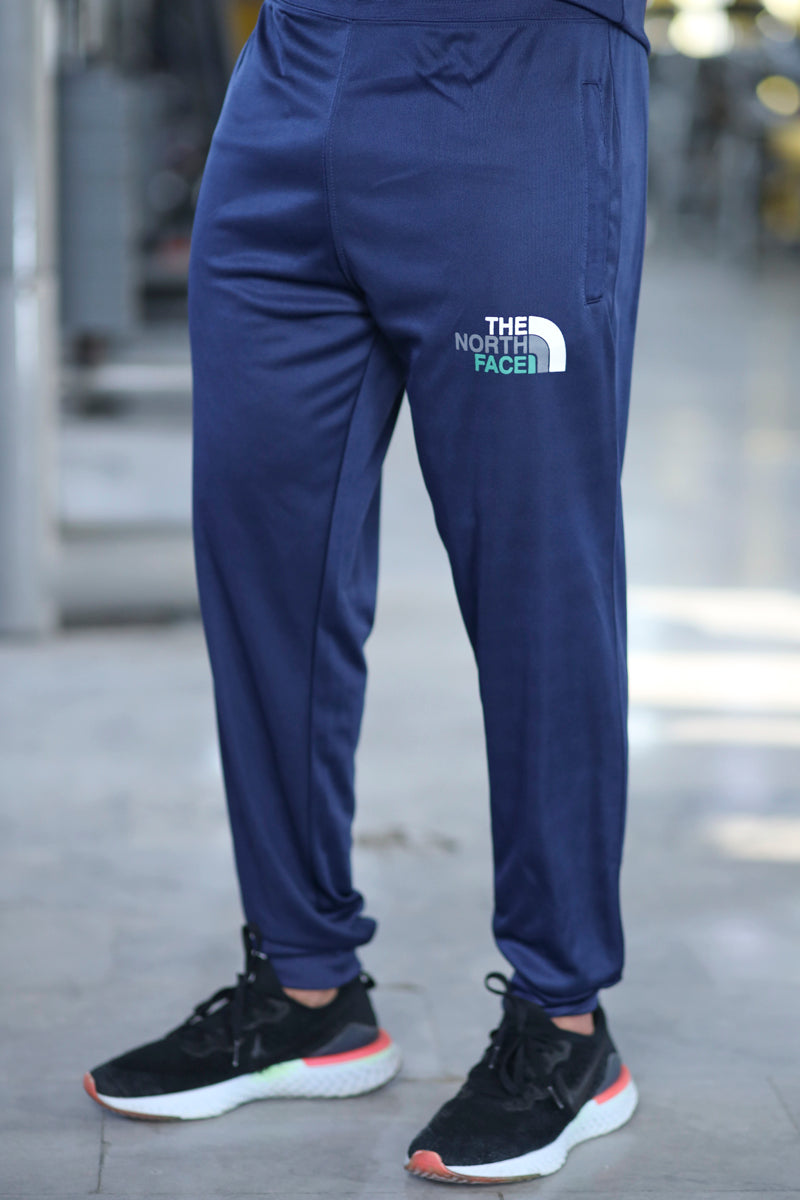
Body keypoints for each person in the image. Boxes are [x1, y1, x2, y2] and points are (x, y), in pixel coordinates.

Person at [83, 0, 649, 1183]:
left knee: (534, 582)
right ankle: (307, 990)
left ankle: (563, 1022)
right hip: (288, 84)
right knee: (263, 568)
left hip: (516, 85)